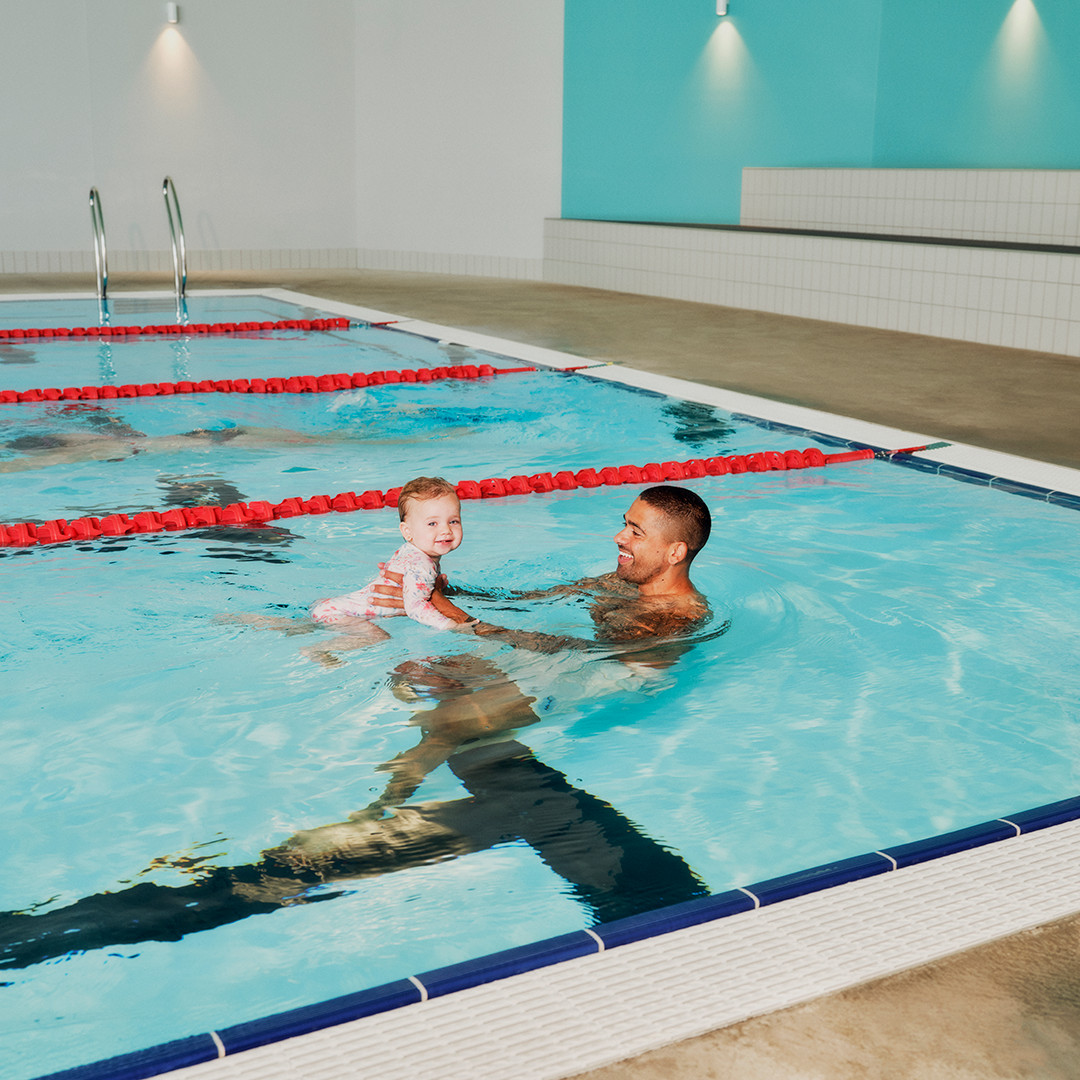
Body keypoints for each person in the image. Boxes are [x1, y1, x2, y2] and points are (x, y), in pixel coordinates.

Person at [374, 484, 712, 646]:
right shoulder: (622, 581)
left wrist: (455, 615)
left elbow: (574, 655)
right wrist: (449, 592)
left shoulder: (673, 619)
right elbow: (536, 598)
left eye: (635, 532)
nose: (618, 537)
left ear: (675, 553)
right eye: (624, 524)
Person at [309, 476, 475, 633]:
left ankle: (296, 627)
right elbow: (415, 607)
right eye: (432, 523)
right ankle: (317, 649)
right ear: (407, 531)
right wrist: (452, 626)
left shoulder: (411, 550)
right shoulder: (422, 564)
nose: (446, 530)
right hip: (343, 614)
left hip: (331, 607)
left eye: (453, 521)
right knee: (377, 638)